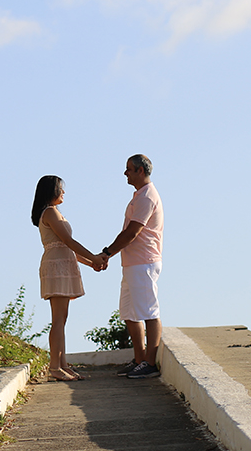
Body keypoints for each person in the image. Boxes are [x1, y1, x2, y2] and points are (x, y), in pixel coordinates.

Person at [31, 174, 107, 382]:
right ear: (51, 191)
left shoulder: (54, 213)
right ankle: (54, 367)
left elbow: (68, 247)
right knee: (58, 320)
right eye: (60, 188)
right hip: (57, 267)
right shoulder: (50, 212)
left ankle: (62, 364)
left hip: (62, 264)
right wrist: (93, 257)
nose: (63, 192)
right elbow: (68, 241)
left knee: (62, 319)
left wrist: (91, 262)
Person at [97, 154, 164, 379]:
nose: (125, 173)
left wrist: (107, 253)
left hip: (143, 262)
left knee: (149, 312)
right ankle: (139, 359)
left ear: (140, 171)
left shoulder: (147, 197)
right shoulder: (139, 196)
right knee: (129, 312)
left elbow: (132, 232)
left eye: (129, 169)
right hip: (133, 263)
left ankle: (150, 363)